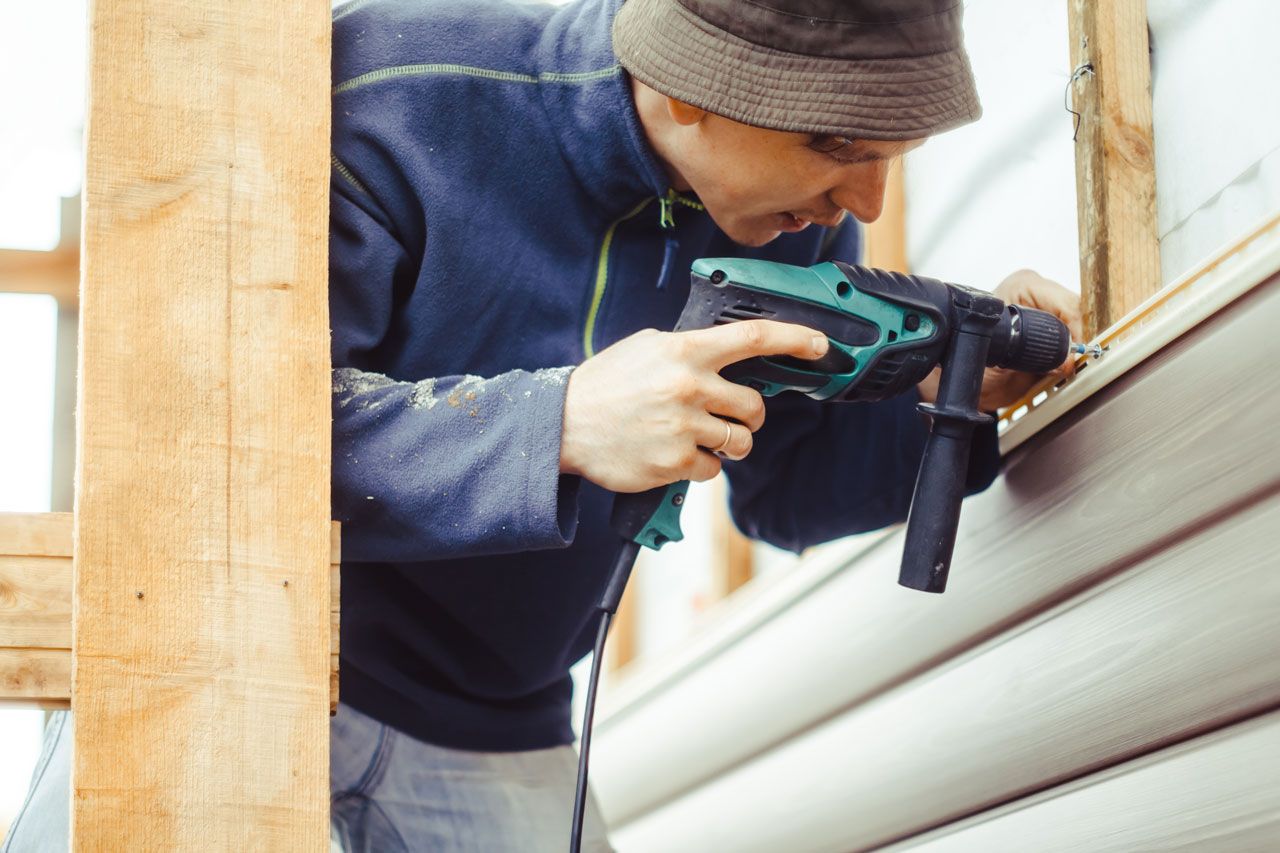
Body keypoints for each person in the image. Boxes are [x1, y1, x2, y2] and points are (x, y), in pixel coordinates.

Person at [2, 0, 1082, 850]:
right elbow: (200, 442)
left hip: (497, 716)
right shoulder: (388, 97)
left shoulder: (793, 225)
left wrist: (953, 411)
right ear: (685, 84)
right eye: (834, 142)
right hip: (222, 658)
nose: (867, 201)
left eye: (891, 151)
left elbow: (786, 493)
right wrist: (555, 423)